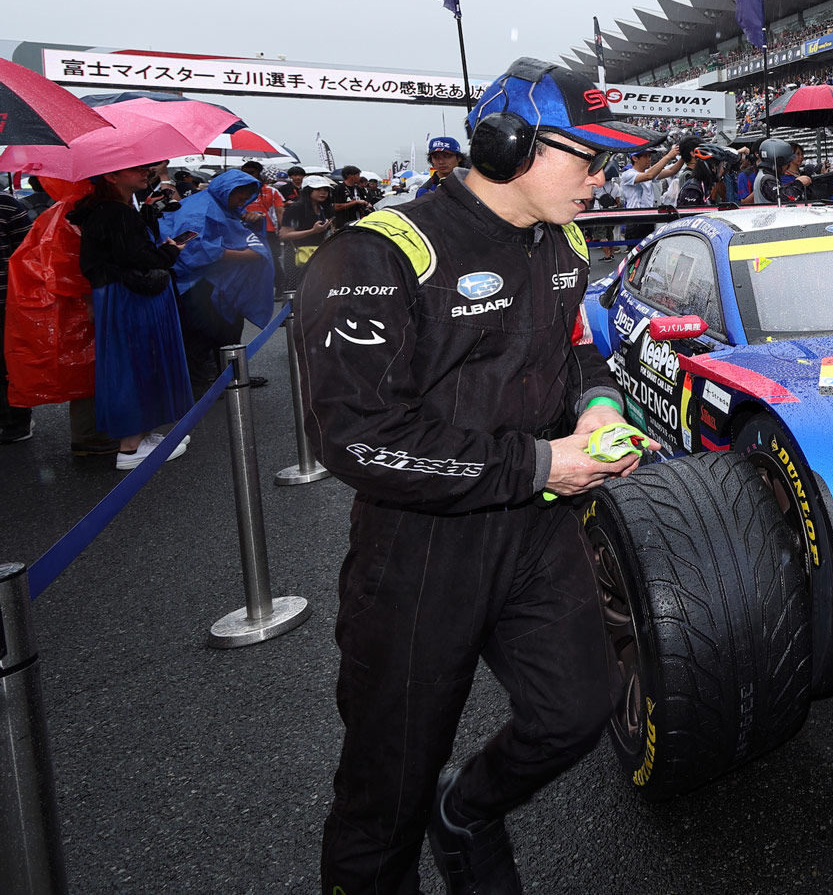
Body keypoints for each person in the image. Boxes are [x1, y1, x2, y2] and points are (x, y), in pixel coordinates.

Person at [303, 59, 657, 892]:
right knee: (383, 797)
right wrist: (542, 460)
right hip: (421, 544)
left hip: (537, 525)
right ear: (509, 146)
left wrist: (598, 409)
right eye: (590, 158)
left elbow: (575, 351)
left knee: (579, 707)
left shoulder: (565, 242)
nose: (604, 180)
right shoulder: (381, 253)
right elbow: (355, 438)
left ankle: (464, 810)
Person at [66, 164, 195, 470]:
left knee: (137, 362)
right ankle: (130, 446)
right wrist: (171, 251)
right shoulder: (115, 213)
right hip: (131, 298)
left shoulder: (107, 209)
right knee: (137, 363)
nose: (144, 173)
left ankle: (142, 435)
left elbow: (123, 253)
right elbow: (139, 257)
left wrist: (146, 219)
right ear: (111, 176)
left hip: (122, 296)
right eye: (135, 169)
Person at [163, 169, 276, 391]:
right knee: (200, 333)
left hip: (222, 283)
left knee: (229, 329)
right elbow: (188, 247)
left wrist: (253, 222)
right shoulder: (198, 209)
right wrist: (244, 255)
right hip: (197, 283)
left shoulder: (227, 207)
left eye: (247, 197)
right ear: (226, 190)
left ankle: (231, 376)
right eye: (240, 195)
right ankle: (200, 386)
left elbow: (234, 233)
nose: (243, 200)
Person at [0, 182, 34, 442]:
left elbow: (27, 252)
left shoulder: (9, 205)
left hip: (5, 301)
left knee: (6, 364)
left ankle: (16, 421)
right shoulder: (9, 205)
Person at [278, 174, 336, 290]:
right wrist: (312, 231)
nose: (323, 193)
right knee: (297, 287)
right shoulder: (295, 209)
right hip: (297, 253)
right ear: (307, 191)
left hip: (318, 252)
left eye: (325, 190)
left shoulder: (324, 208)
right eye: (318, 189)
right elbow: (284, 235)